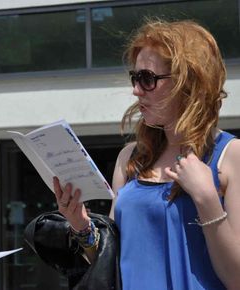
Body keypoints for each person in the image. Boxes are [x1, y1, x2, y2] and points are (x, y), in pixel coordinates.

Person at [53, 19, 240, 289]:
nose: (135, 89)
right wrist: (80, 225)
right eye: (135, 77)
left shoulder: (230, 155)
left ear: (188, 82)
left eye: (147, 79)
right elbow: (111, 259)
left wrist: (208, 199)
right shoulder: (131, 158)